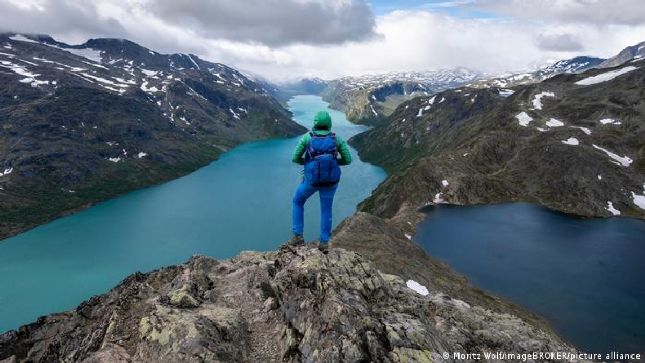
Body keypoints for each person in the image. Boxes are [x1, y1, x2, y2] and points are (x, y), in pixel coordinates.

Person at [289, 110, 352, 250]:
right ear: (329, 123)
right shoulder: (337, 139)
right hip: (331, 182)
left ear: (315, 123)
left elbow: (295, 158)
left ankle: (297, 237)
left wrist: (308, 163)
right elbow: (348, 160)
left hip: (311, 180)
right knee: (326, 209)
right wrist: (333, 162)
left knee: (297, 201)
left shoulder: (307, 138)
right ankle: (324, 243)